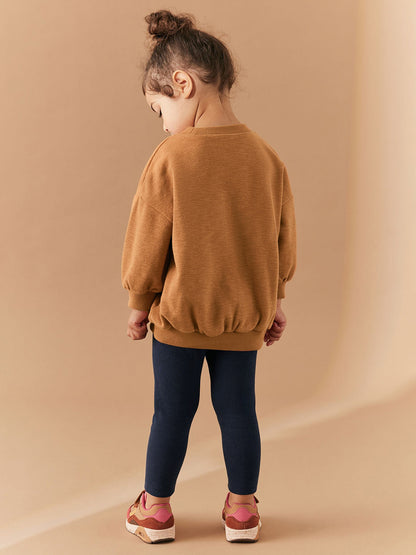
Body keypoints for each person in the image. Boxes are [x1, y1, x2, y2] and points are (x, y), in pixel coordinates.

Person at [121, 9, 297, 544]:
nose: (162, 124)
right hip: (244, 318)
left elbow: (148, 239)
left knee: (172, 412)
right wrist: (274, 299)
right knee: (239, 411)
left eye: (160, 110)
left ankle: (155, 510)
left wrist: (139, 303)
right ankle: (242, 511)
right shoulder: (267, 159)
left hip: (179, 318)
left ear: (183, 84)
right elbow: (278, 239)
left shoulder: (171, 157)